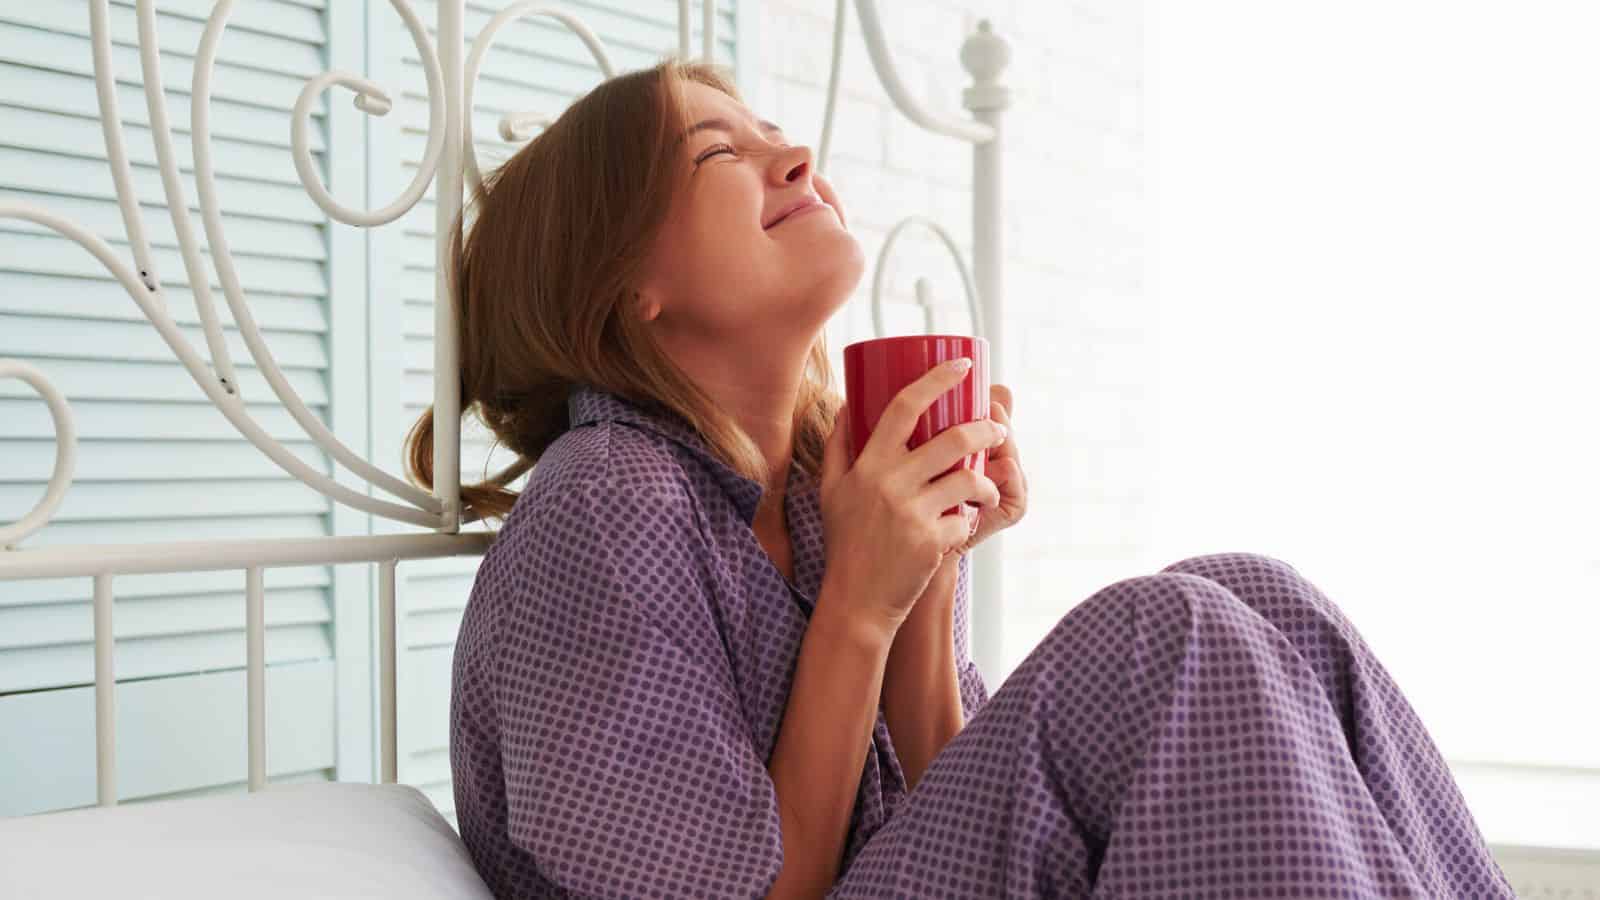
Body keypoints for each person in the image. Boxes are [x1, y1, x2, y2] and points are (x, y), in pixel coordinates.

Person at [404, 58, 1514, 899]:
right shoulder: (605, 504)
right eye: (717, 157)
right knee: (1156, 636)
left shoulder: (829, 479)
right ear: (624, 284)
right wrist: (858, 606)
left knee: (1262, 596)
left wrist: (924, 568)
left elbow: (949, 794)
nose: (795, 161)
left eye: (776, 136)